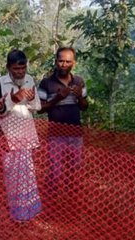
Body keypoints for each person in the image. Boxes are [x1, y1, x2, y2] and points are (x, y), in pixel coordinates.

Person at [38, 46, 88, 194]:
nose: (64, 64)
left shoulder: (79, 81)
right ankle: (51, 204)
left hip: (76, 134)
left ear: (74, 63)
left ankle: (71, 202)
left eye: (68, 61)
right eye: (61, 61)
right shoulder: (46, 83)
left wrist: (79, 96)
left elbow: (84, 107)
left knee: (74, 171)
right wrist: (58, 98)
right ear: (55, 62)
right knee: (55, 172)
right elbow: (40, 109)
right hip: (55, 135)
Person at [0, 49, 42, 221]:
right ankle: (15, 215)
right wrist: (13, 100)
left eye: (23, 68)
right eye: (16, 69)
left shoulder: (29, 80)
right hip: (8, 137)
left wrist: (30, 99)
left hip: (26, 136)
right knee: (11, 178)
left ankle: (30, 213)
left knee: (28, 177)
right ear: (8, 67)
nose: (20, 72)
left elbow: (37, 107)